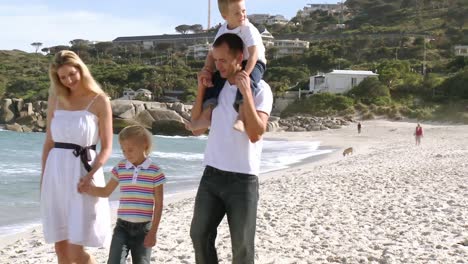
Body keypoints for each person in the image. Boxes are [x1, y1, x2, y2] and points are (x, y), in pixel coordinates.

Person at [189, 33, 273, 264]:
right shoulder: (216, 87)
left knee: (243, 248)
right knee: (199, 235)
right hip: (212, 175)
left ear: (239, 57)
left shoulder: (261, 90)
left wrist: (246, 92)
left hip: (242, 179)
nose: (218, 66)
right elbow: (196, 127)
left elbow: (256, 133)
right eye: (215, 61)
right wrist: (200, 89)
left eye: (223, 60)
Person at [40, 50, 112, 264]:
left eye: (72, 74)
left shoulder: (99, 100)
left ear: (81, 70)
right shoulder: (56, 97)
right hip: (55, 174)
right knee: (60, 249)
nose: (68, 80)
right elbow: (49, 142)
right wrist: (44, 179)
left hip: (83, 174)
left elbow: (106, 148)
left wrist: (90, 175)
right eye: (62, 77)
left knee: (75, 252)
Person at [79, 125, 165, 264]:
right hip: (122, 228)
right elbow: (106, 191)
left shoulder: (155, 171)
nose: (127, 154)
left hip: (144, 230)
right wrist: (87, 189)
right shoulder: (121, 168)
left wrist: (153, 232)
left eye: (130, 149)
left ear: (145, 144)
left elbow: (159, 205)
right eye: (123, 150)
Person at [185, 0, 267, 133]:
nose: (242, 15)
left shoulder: (248, 29)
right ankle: (206, 115)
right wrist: (207, 70)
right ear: (225, 16)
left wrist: (245, 74)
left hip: (255, 62)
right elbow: (213, 53)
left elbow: (253, 55)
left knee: (247, 82)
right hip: (233, 64)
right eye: (237, 13)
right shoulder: (222, 30)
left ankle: (241, 117)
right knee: (215, 82)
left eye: (244, 11)